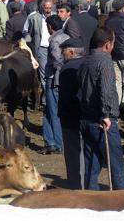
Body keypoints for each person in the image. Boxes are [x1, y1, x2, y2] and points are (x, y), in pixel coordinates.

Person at [78, 27, 124, 190]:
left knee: (92, 162)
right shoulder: (105, 60)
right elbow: (106, 90)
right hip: (102, 120)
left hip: (87, 118)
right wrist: (106, 114)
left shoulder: (85, 60)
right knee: (116, 164)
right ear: (108, 45)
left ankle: (91, 199)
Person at [57, 37, 86, 189]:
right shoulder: (88, 64)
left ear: (72, 52)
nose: (62, 55)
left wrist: (62, 114)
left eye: (64, 52)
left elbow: (66, 96)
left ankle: (77, 187)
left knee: (74, 154)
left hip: (71, 118)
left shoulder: (67, 69)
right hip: (88, 117)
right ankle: (87, 183)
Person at [39, 15, 69, 155]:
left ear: (50, 27)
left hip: (54, 79)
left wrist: (57, 75)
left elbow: (57, 61)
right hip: (63, 80)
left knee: (51, 111)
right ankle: (53, 141)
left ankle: (56, 143)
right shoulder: (66, 37)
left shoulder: (55, 41)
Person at [105, 0, 124, 109]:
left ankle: (115, 104)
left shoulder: (108, 21)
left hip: (113, 53)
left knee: (117, 81)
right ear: (123, 8)